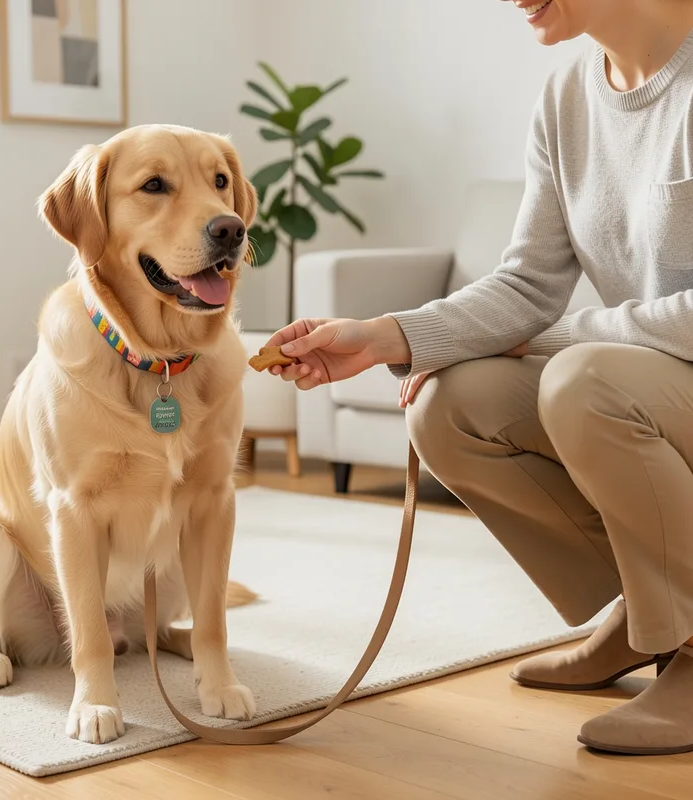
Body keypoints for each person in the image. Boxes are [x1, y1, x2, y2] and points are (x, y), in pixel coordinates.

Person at [266, 0, 693, 756]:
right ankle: (647, 614)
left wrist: (559, 340)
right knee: (449, 404)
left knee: (580, 381)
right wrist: (384, 338)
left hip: (647, 380)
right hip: (652, 382)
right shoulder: (566, 98)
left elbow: (556, 330)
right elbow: (527, 285)